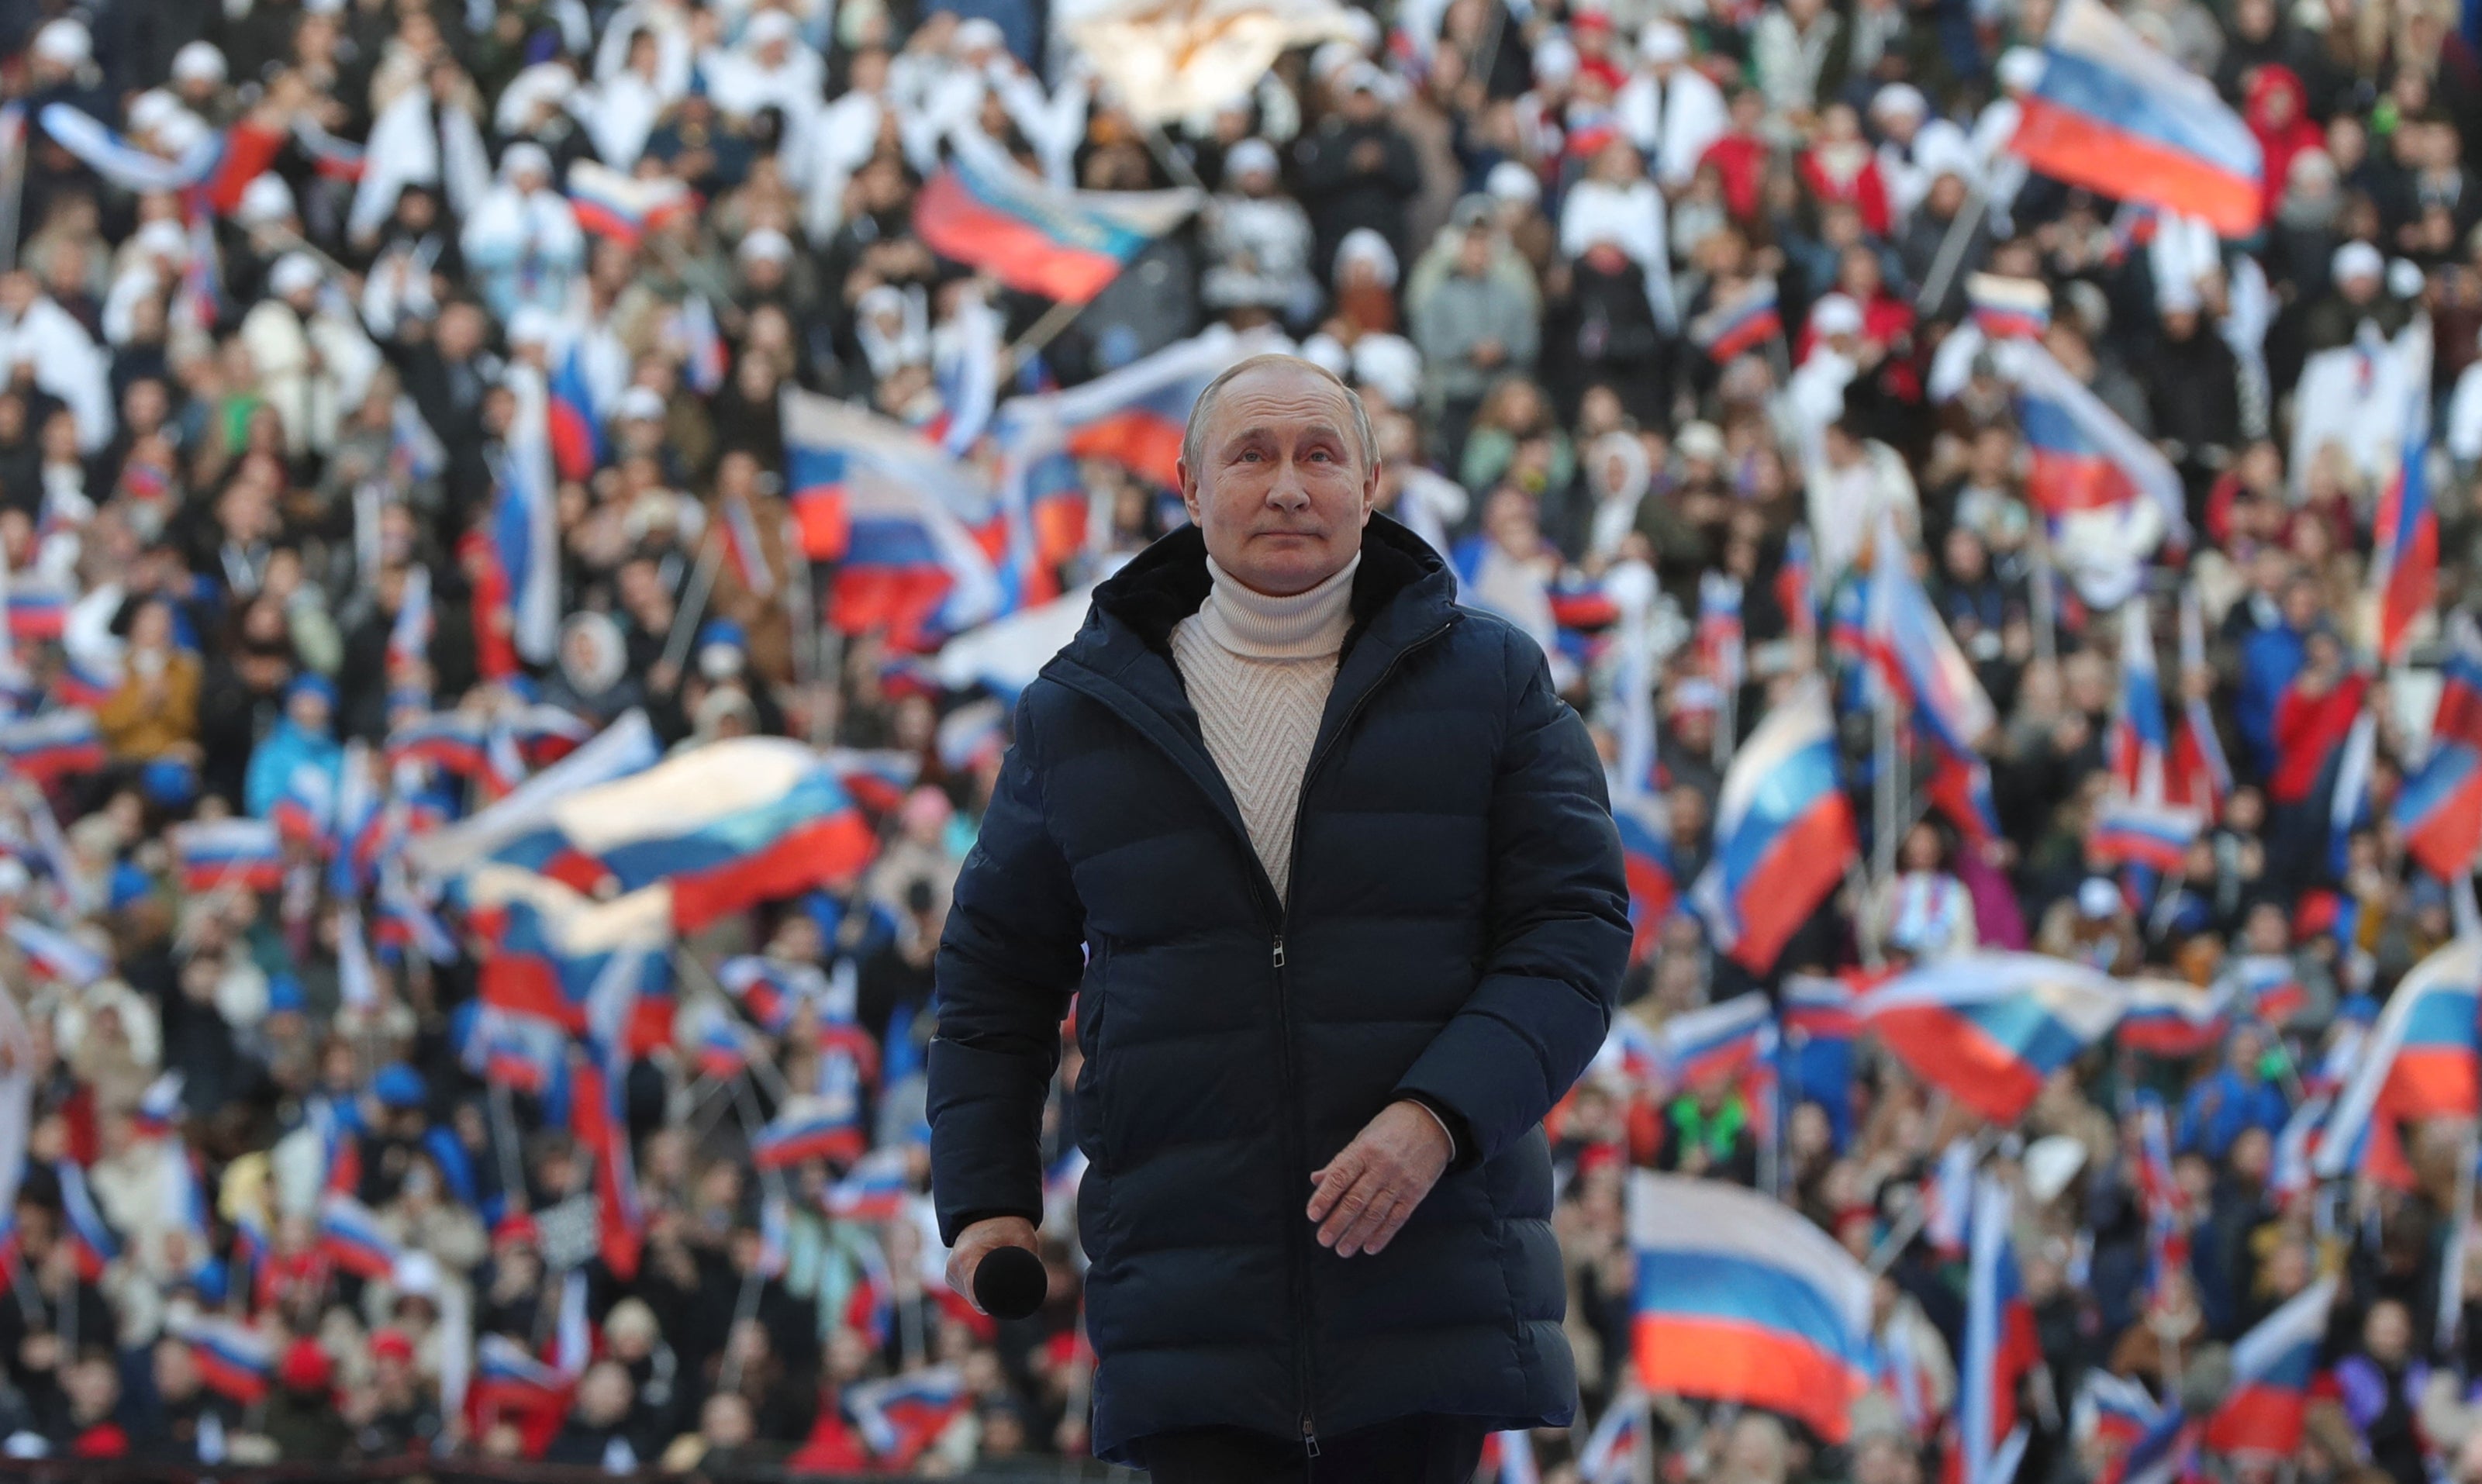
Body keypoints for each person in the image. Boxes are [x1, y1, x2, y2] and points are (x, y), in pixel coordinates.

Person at [929, 354, 1630, 1477]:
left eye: (1318, 454)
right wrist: (985, 1203)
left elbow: (1576, 931)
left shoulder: (1491, 677)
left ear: (1371, 481)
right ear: (1190, 488)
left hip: (1426, 1288)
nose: (1287, 484)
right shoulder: (1078, 711)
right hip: (1187, 1312)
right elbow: (992, 980)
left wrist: (1438, 1117)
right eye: (1250, 455)